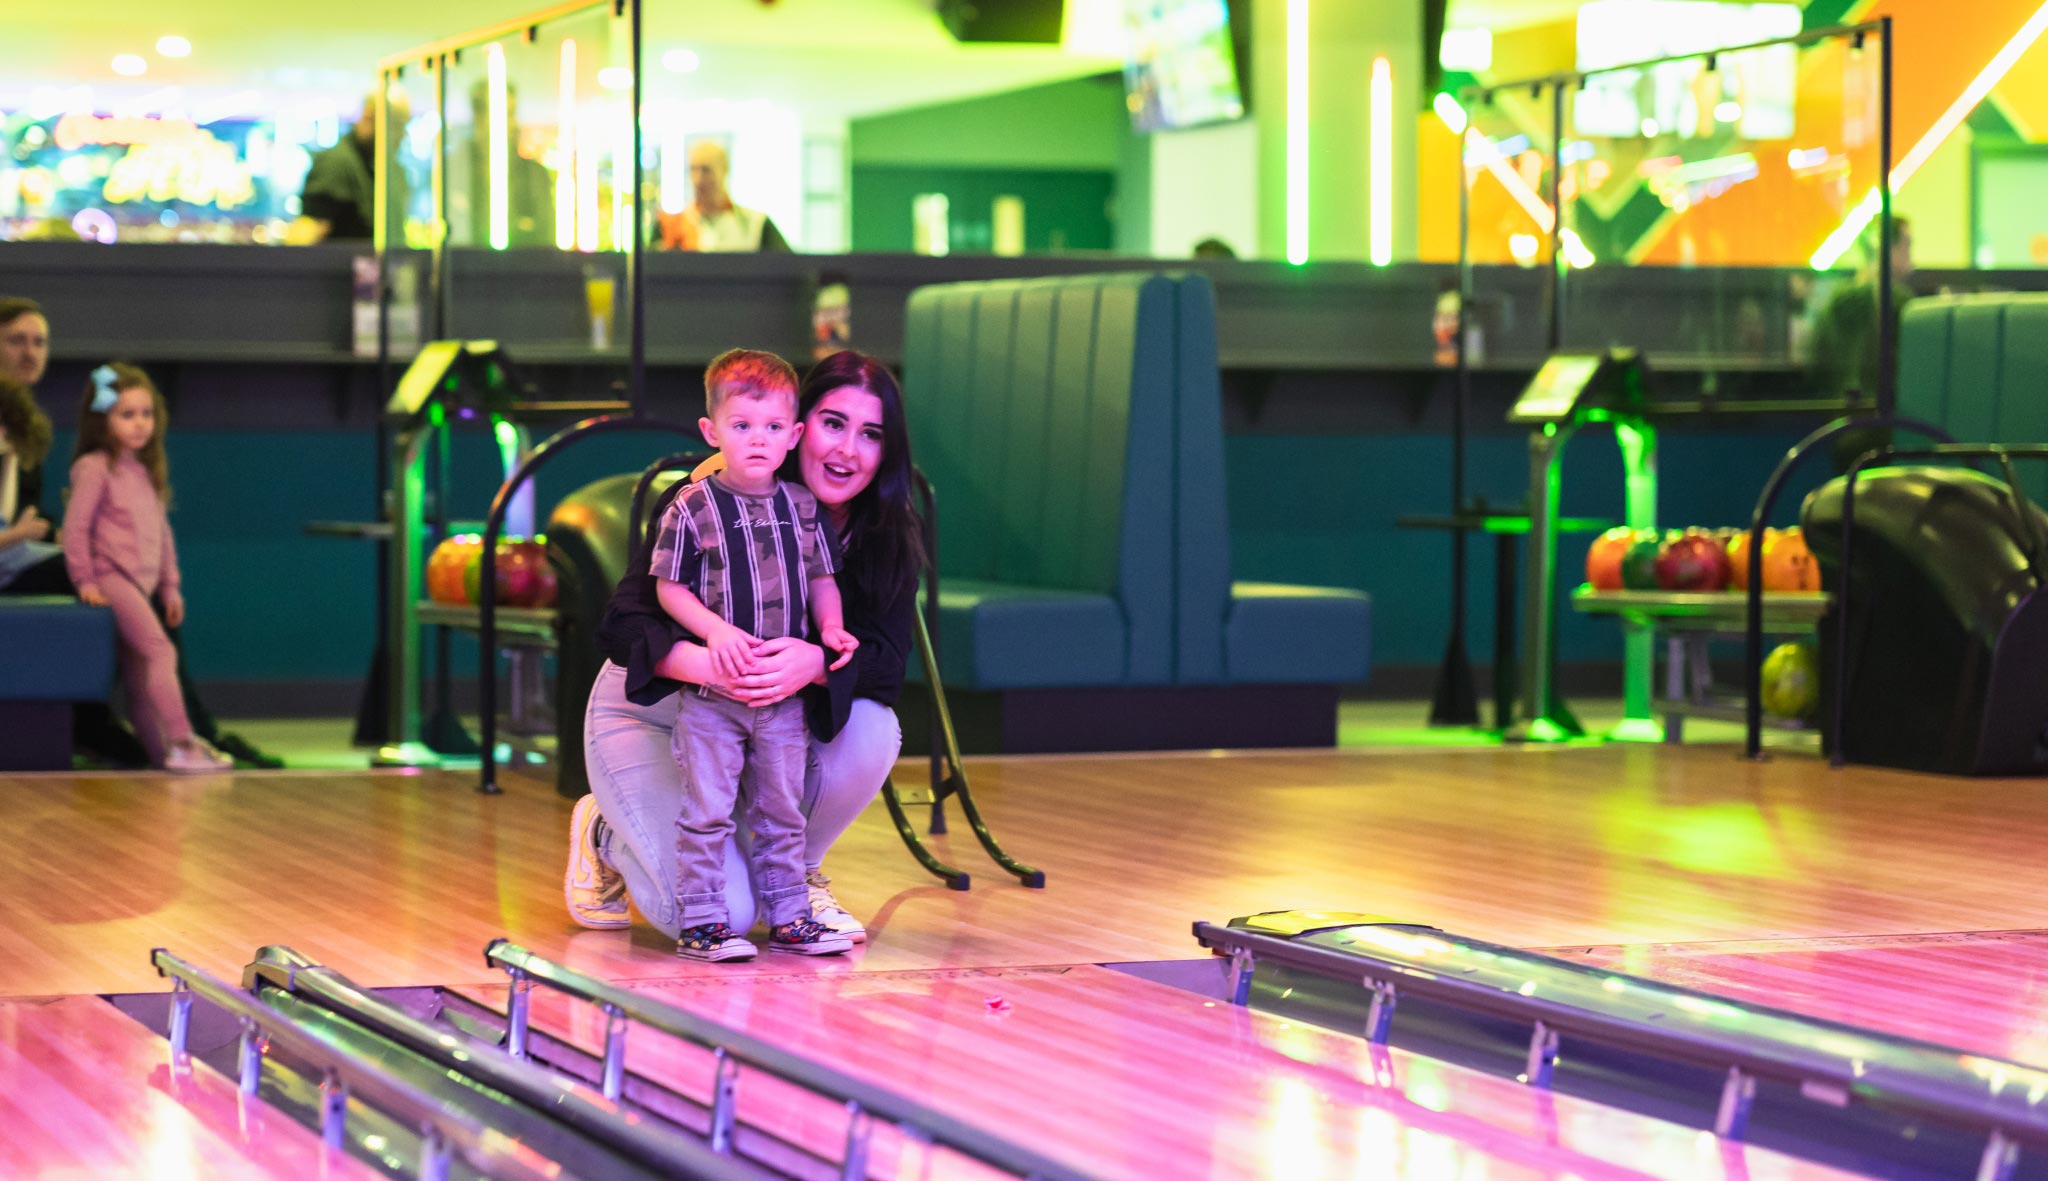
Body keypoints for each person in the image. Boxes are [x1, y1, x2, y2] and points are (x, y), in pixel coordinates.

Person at [568, 349, 923, 955]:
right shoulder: (705, 498)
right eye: (834, 423)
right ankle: (606, 830)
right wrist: (707, 662)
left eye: (871, 434)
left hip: (769, 720)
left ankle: (796, 880)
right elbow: (621, 626)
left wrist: (816, 661)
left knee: (872, 725)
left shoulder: (882, 533)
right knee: (723, 912)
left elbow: (887, 664)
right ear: (800, 427)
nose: (847, 450)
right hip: (656, 710)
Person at [645, 349, 857, 961]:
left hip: (782, 700)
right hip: (712, 698)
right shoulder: (692, 506)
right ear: (712, 431)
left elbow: (821, 579)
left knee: (783, 810)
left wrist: (832, 629)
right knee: (707, 811)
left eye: (772, 427)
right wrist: (714, 633)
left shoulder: (803, 507)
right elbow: (668, 589)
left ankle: (791, 915)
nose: (758, 439)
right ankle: (703, 922)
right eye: (741, 425)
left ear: (794, 435)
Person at [62, 364, 231, 772]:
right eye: (127, 415)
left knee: (140, 676)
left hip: (143, 585)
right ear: (102, 420)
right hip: (111, 577)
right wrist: (85, 579)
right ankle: (182, 741)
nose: (140, 424)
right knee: (160, 650)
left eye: (146, 414)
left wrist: (170, 586)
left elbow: (162, 532)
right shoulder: (95, 467)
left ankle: (161, 756)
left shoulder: (144, 471)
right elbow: (76, 527)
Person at [288, 89, 410, 245]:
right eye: (396, 125)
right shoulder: (336, 163)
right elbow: (306, 231)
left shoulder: (389, 169)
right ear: (368, 117)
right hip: (342, 261)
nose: (402, 135)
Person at [655, 141, 791, 253]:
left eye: (706, 170)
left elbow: (790, 268)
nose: (698, 179)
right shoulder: (673, 225)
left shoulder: (756, 224)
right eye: (693, 169)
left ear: (725, 169)